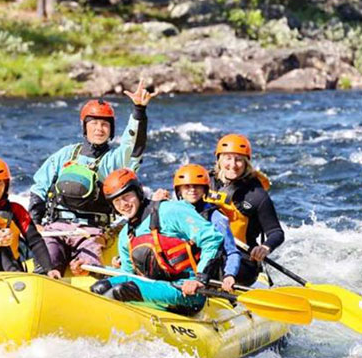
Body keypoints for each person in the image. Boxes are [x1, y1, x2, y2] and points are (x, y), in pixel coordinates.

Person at [29, 81, 156, 275]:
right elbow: (39, 188)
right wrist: (35, 222)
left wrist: (139, 110)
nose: (99, 128)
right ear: (85, 127)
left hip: (92, 231)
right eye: (94, 123)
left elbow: (134, 146)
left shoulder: (114, 159)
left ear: (111, 130)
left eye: (104, 124)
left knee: (89, 267)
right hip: (56, 228)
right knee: (47, 262)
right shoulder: (66, 154)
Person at [89, 168, 224, 315]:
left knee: (121, 291)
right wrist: (94, 270)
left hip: (186, 291)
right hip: (154, 287)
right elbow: (128, 274)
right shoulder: (125, 235)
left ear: (139, 193)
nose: (123, 205)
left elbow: (212, 238)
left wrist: (200, 279)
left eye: (127, 196)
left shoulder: (170, 211)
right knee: (99, 288)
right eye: (116, 201)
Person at [208, 134, 284, 286]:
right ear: (219, 160)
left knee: (213, 264)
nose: (233, 164)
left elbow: (276, 232)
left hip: (241, 258)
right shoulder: (205, 183)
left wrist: (265, 247)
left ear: (246, 163)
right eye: (228, 158)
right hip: (208, 249)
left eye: (239, 159)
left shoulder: (256, 195)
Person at [0, 157, 61, 278]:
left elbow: (35, 241)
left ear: (6, 184)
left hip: (10, 269)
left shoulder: (16, 210)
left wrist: (49, 268)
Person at [172, 164, 241, 293]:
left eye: (197, 186)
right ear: (179, 190)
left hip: (206, 277)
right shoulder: (171, 212)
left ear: (205, 189)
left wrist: (230, 275)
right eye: (187, 186)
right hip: (179, 273)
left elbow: (232, 252)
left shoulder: (217, 219)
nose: (192, 190)